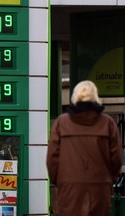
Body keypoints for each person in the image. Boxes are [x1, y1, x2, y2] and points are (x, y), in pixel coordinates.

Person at [47, 80, 123, 216]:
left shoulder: (61, 123)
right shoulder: (107, 123)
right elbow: (116, 158)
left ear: (74, 97)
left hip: (69, 188)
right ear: (96, 97)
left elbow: (52, 159)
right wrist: (106, 179)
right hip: (100, 187)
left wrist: (61, 181)